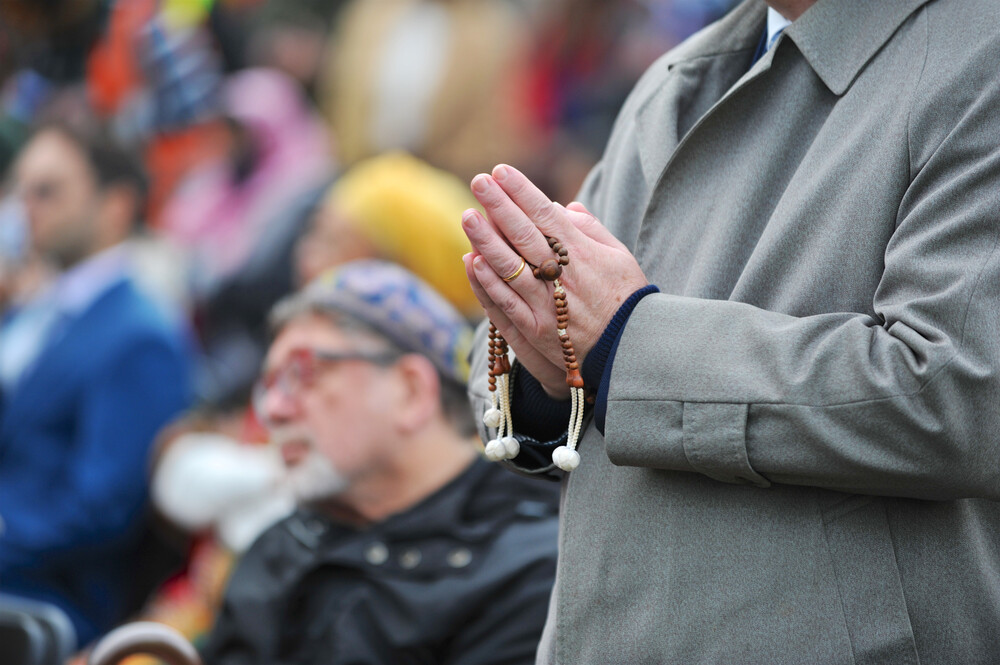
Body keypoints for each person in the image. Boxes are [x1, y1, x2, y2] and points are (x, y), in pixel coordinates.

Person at [461, 0, 1000, 662]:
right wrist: (549, 359)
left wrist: (628, 346)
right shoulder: (673, 77)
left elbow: (960, 391)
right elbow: (563, 358)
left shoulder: (980, 54)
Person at [202, 260, 559, 665]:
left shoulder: (527, 570)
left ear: (410, 391)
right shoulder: (282, 545)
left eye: (303, 372)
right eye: (267, 384)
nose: (272, 410)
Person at [0, 123, 192, 646]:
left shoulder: (140, 334)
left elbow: (101, 510)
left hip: (45, 594)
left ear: (116, 205)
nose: (24, 208)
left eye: (48, 191)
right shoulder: (41, 306)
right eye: (19, 190)